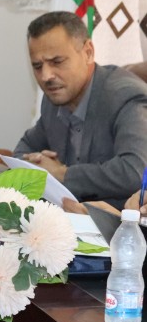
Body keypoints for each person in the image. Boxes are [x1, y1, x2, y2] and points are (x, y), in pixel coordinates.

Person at [14, 11, 147, 209]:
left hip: (116, 223)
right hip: (66, 221)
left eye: (57, 62)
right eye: (37, 66)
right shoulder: (54, 98)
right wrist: (38, 164)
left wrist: (62, 174)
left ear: (88, 52)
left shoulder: (125, 97)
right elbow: (22, 151)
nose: (46, 76)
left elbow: (135, 172)